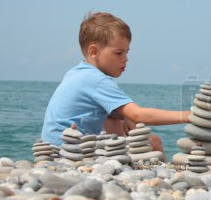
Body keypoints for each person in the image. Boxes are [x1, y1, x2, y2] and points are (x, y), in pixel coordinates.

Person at [41, 12, 190, 154]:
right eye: (119, 53)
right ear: (93, 51)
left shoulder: (77, 72)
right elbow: (138, 114)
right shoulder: (97, 80)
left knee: (118, 116)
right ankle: (157, 175)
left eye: (127, 52)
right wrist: (188, 115)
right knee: (153, 142)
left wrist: (125, 118)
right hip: (68, 151)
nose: (125, 59)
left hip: (49, 149)